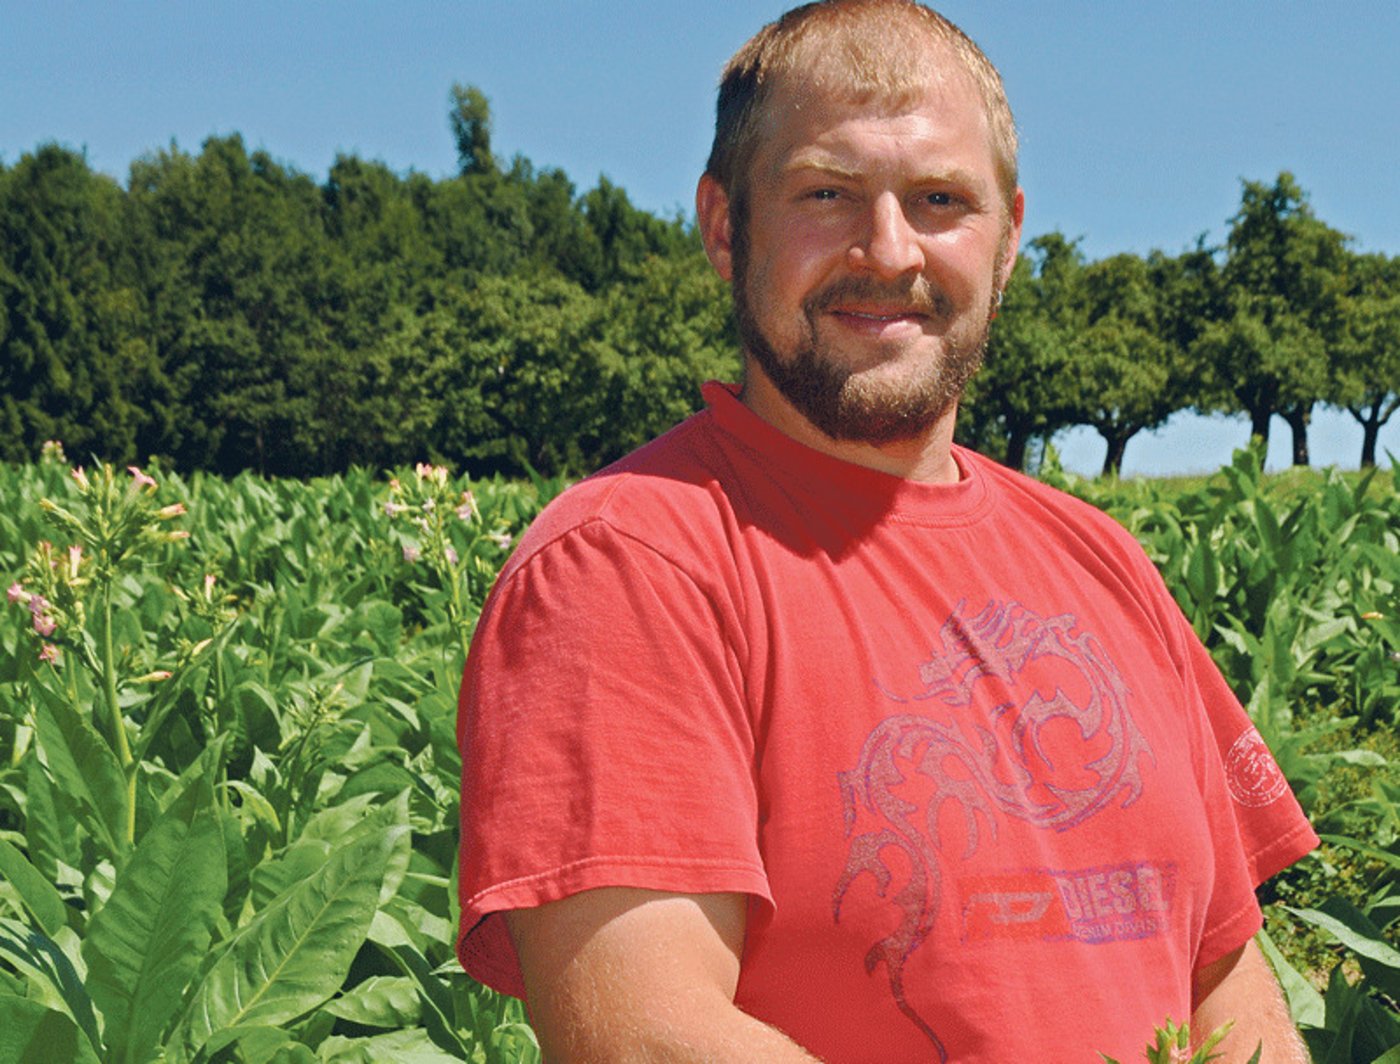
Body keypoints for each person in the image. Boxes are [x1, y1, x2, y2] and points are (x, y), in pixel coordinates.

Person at [455, 1, 1318, 1060]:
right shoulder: (627, 559)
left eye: (938, 199)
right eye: (826, 193)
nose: (886, 249)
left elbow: (1226, 972)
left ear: (1006, 239)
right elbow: (645, 1034)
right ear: (725, 227)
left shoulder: (1105, 561)